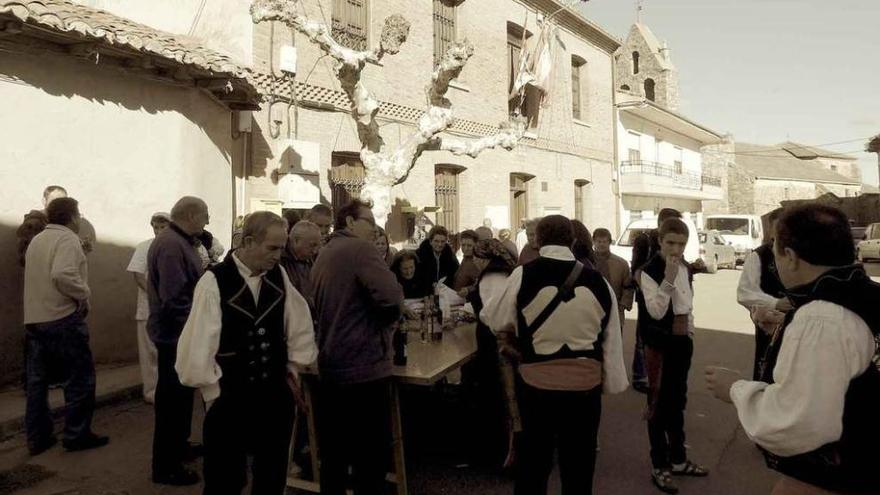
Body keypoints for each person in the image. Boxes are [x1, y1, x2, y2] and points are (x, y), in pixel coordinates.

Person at [706, 204, 880, 495]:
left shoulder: (822, 317)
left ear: (790, 256)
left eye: (776, 248)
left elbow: (797, 422)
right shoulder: (863, 294)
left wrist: (735, 389)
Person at [482, 215, 627, 495]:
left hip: (537, 387)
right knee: (579, 469)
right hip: (585, 389)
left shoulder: (522, 275)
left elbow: (494, 317)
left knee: (533, 468)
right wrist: (610, 382)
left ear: (539, 242)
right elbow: (611, 339)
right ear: (572, 241)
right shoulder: (597, 281)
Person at [175, 212, 318, 495]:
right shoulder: (214, 281)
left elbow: (299, 324)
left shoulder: (278, 277)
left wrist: (292, 369)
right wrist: (213, 393)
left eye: (282, 248)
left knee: (272, 475)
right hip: (230, 399)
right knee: (225, 479)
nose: (278, 256)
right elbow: (199, 343)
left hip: (275, 398)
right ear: (249, 242)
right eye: (272, 248)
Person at [310, 199, 405, 495]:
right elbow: (392, 297)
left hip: (331, 364)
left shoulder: (326, 252)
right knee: (370, 458)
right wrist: (387, 321)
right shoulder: (359, 249)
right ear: (350, 222)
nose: (375, 230)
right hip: (363, 367)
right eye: (370, 223)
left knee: (335, 457)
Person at [23, 197, 108, 455]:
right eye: (78, 214)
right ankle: (76, 434)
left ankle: (38, 438)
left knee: (37, 383)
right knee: (79, 378)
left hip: (35, 320)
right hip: (61, 319)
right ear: (72, 217)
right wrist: (83, 294)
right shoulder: (68, 239)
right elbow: (62, 274)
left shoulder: (37, 240)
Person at [639, 217, 708, 493]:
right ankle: (660, 465)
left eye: (681, 244)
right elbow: (655, 310)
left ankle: (678, 458)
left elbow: (687, 305)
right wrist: (667, 279)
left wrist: (689, 334)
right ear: (660, 241)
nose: (675, 249)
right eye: (670, 243)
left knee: (678, 400)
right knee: (657, 404)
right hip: (659, 344)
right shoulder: (649, 270)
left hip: (681, 341)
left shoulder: (686, 267)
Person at [147, 196, 210, 486]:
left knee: (182, 399)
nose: (207, 222)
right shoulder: (172, 245)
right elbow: (175, 299)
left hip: (179, 334)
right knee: (172, 403)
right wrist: (200, 326)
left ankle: (179, 447)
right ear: (191, 215)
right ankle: (166, 467)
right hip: (175, 336)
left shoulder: (178, 241)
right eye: (205, 216)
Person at [461, 238, 517, 466]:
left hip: (495, 345)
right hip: (502, 342)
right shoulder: (504, 273)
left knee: (495, 397)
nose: (474, 262)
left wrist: (481, 316)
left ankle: (495, 454)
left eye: (475, 257)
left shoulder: (491, 277)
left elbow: (494, 314)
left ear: (483, 258)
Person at [630, 208, 683, 394]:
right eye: (671, 224)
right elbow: (636, 269)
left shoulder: (675, 246)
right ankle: (641, 376)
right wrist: (648, 284)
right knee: (644, 335)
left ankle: (660, 377)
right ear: (661, 225)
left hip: (669, 296)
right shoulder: (645, 240)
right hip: (648, 293)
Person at [735, 208, 792, 379]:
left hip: (800, 328)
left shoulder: (804, 254)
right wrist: (774, 303)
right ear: (770, 230)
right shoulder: (759, 256)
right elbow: (744, 292)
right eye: (776, 230)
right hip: (769, 328)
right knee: (768, 376)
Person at [126, 212, 171, 404]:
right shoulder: (144, 247)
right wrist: (155, 296)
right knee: (150, 353)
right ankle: (152, 393)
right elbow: (137, 275)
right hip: (148, 309)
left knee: (167, 353)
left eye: (163, 227)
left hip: (169, 310)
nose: (159, 230)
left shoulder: (174, 247)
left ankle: (168, 390)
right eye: (156, 227)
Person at [17, 186, 96, 265]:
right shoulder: (33, 224)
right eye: (55, 201)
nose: (60, 205)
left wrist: (80, 250)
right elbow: (26, 258)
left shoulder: (64, 223)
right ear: (44, 201)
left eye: (63, 202)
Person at [593, 228, 634, 326]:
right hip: (593, 311)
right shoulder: (588, 263)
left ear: (609, 242)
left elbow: (628, 286)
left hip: (615, 310)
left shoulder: (621, 264)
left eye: (604, 241)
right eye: (599, 241)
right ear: (593, 242)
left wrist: (623, 305)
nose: (601, 244)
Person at [282, 220, 322, 311]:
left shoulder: (314, 259)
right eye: (312, 245)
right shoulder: (279, 261)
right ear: (296, 241)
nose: (315, 251)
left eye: (318, 246)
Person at [416, 225, 460, 290]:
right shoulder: (420, 255)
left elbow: (455, 272)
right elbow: (417, 276)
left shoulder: (449, 254)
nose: (439, 244)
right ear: (430, 241)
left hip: (444, 291)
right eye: (436, 241)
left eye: (442, 241)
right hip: (425, 292)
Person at [453, 229, 481, 295]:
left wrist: (468, 290)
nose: (465, 248)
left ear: (476, 245)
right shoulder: (465, 258)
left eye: (469, 245)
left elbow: (481, 284)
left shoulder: (477, 262)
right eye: (463, 245)